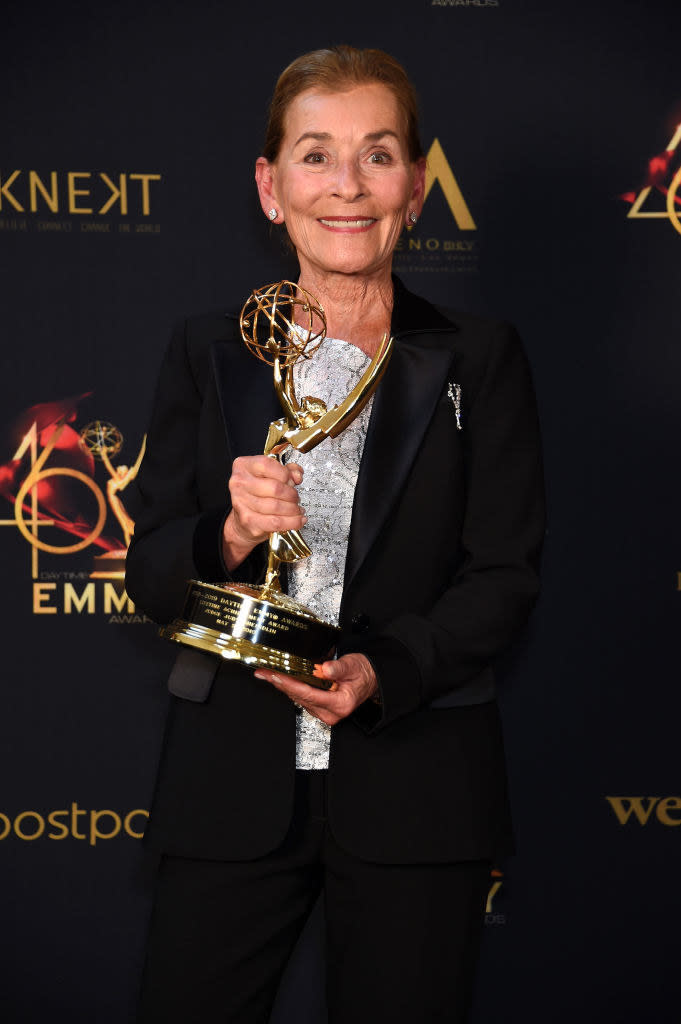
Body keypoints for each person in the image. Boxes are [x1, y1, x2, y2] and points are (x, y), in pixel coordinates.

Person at [127, 45, 545, 1024]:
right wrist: (226, 530)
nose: (347, 186)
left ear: (416, 186)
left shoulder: (479, 360)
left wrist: (379, 670)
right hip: (231, 790)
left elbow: (504, 575)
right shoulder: (207, 349)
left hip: (417, 787)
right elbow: (151, 572)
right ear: (271, 188)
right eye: (316, 156)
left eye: (379, 154)